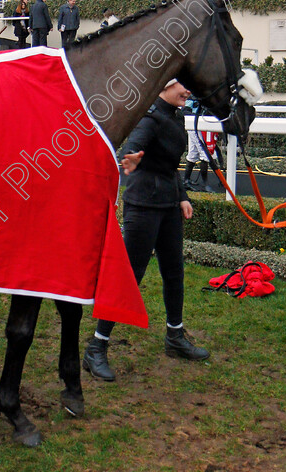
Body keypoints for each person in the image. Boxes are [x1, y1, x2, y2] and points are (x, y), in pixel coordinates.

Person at [82, 79, 207, 382]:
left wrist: (182, 197)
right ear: (164, 87)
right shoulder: (149, 118)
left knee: (174, 272)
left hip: (167, 207)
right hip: (144, 207)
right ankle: (97, 346)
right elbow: (133, 146)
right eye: (182, 87)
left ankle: (175, 337)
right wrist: (132, 156)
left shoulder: (173, 118)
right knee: (130, 277)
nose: (188, 92)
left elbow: (170, 167)